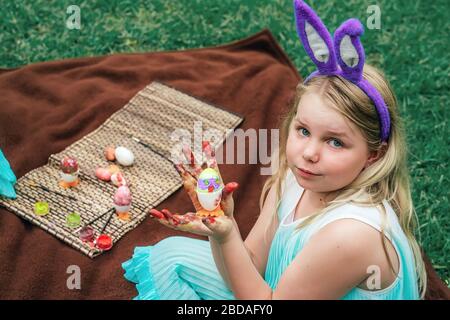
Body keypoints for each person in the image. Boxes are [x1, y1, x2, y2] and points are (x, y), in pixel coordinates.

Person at [122, 0, 426, 300]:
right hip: (276, 292)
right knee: (169, 257)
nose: (309, 152)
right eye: (304, 131)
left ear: (374, 154)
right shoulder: (297, 178)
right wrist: (222, 231)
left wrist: (228, 238)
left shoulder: (350, 235)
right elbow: (250, 264)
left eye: (335, 142)